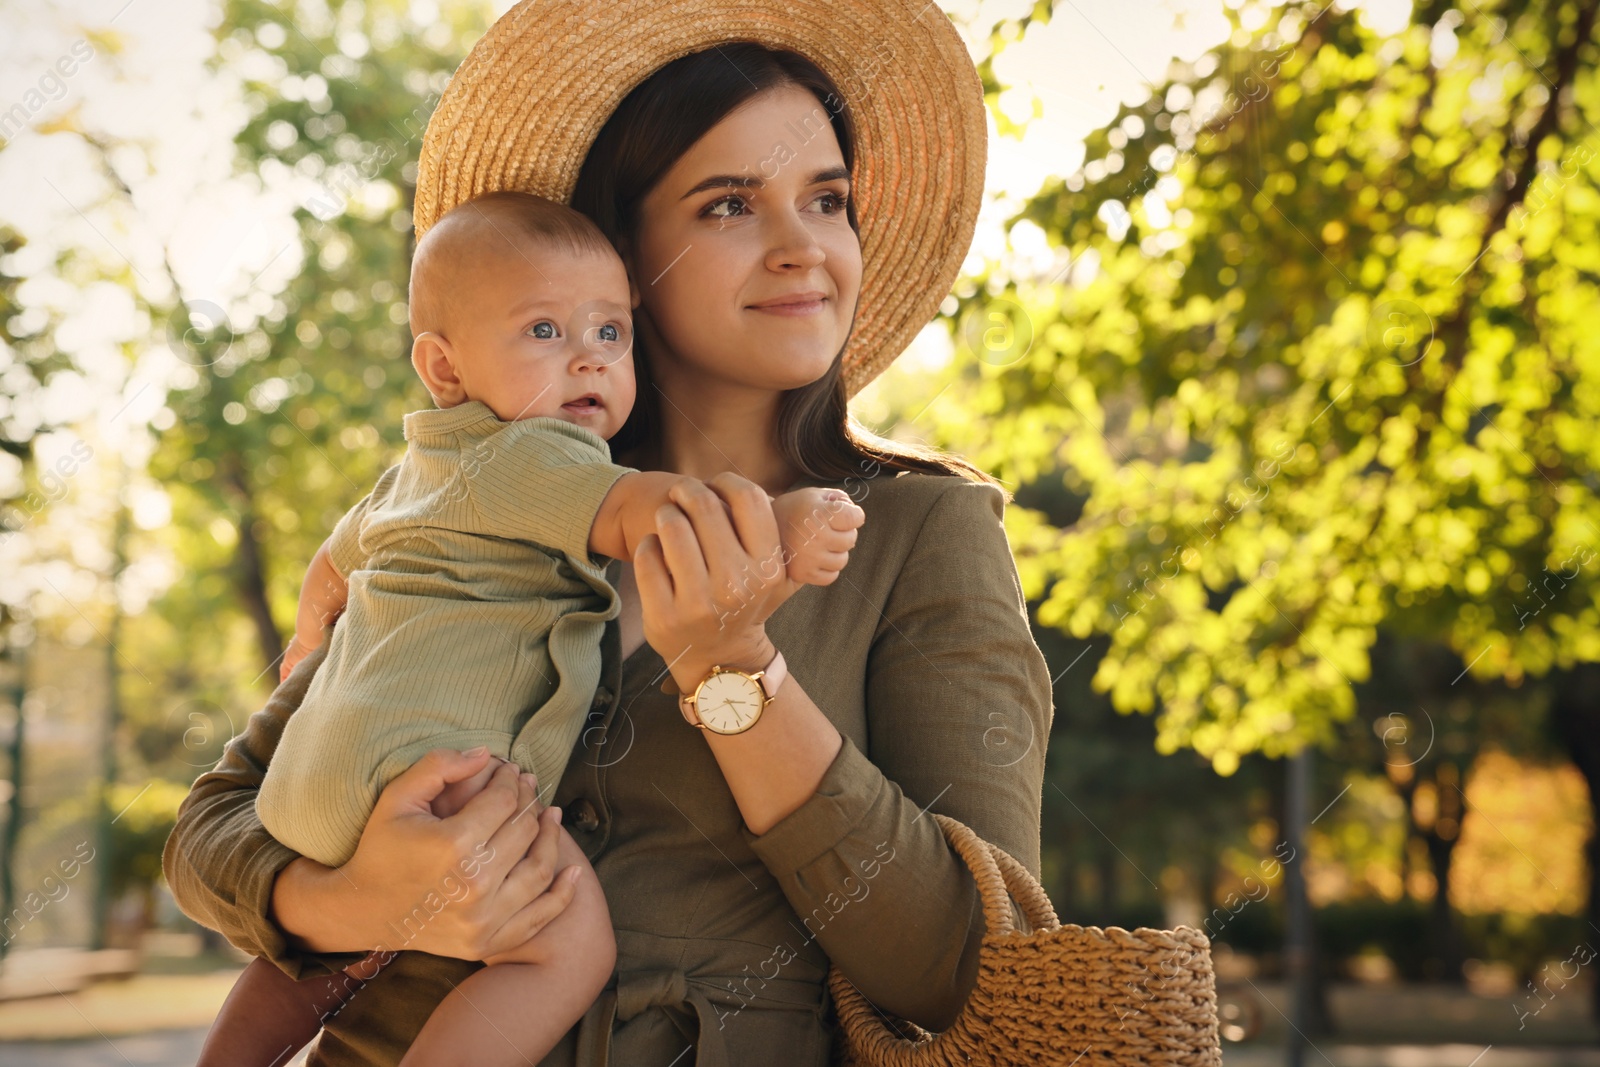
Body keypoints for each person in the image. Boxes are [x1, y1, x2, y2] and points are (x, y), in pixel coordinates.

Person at [163, 4, 1054, 1065]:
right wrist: (349, 898)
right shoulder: (473, 494)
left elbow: (970, 969)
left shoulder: (923, 530)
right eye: (729, 204)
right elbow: (211, 829)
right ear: (624, 260)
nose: (802, 246)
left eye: (828, 199)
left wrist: (730, 673)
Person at [196, 190, 863, 1067]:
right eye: (544, 331)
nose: (587, 357)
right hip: (438, 775)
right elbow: (655, 513)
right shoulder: (534, 454)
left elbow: (333, 560)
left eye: (610, 332)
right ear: (445, 369)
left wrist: (312, 639)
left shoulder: (413, 472)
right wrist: (783, 521)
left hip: (318, 783)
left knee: (326, 957)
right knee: (565, 946)